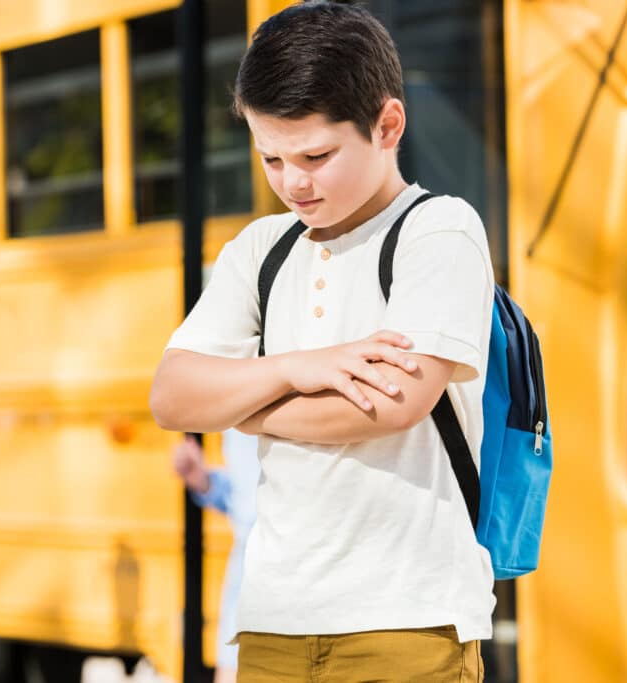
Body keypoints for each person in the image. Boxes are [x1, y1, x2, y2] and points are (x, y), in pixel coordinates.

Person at [149, 2, 495, 680]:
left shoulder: (439, 231)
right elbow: (171, 397)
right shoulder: (259, 249)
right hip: (273, 619)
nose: (292, 183)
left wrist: (239, 403)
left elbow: (391, 404)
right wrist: (302, 367)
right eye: (271, 158)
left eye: (316, 155)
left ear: (387, 124)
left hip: (408, 620)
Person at [172, 430, 259, 683]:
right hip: (245, 581)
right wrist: (205, 481)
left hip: (307, 584)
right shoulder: (234, 418)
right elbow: (245, 501)